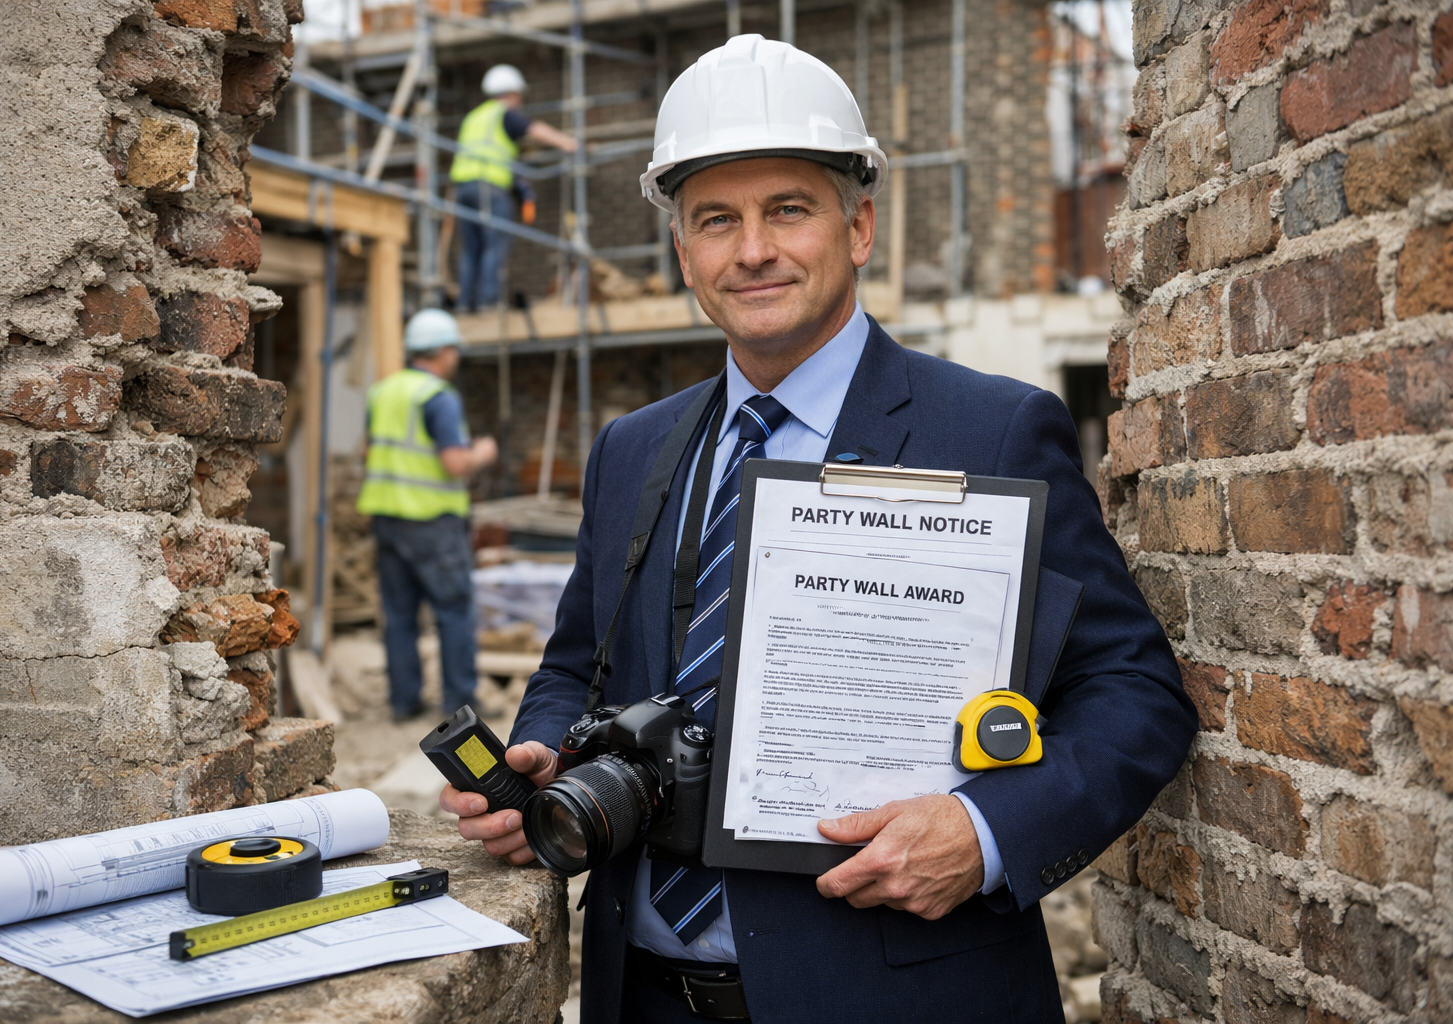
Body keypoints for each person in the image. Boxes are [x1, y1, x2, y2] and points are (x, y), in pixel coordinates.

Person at [442, 35, 1197, 1023]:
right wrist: (546, 757)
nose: (751, 250)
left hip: (896, 993)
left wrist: (984, 829)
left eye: (787, 210)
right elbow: (576, 661)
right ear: (683, 254)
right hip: (644, 995)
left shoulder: (990, 430)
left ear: (860, 227)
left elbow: (1136, 692)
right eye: (716, 220)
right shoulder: (634, 447)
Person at [357, 308, 498, 722]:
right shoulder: (437, 397)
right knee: (453, 610)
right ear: (440, 351)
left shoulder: (382, 392)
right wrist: (484, 452)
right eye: (454, 348)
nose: (456, 357)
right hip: (432, 521)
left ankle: (404, 702)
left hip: (387, 518)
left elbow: (367, 452)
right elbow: (455, 463)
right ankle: (458, 704)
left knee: (399, 615)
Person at [449, 64, 578, 312]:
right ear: (511, 93)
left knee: (470, 249)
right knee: (494, 244)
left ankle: (465, 304)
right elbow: (534, 129)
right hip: (489, 184)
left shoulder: (474, 117)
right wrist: (568, 144)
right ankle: (488, 303)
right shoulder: (504, 113)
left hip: (462, 187)